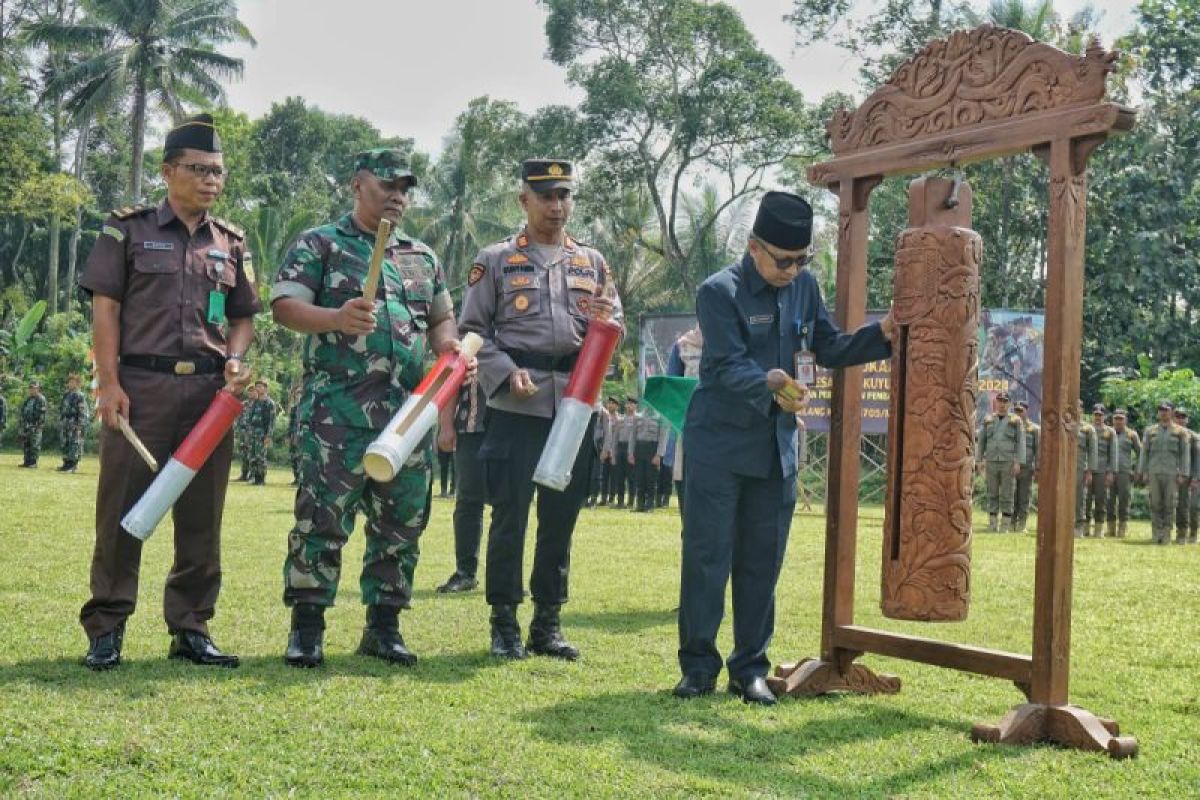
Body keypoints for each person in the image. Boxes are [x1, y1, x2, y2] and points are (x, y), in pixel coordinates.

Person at [675, 191, 894, 705]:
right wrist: (770, 380)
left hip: (776, 451)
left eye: (802, 260)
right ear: (753, 248)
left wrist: (881, 335)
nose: (793, 270)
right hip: (720, 446)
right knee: (708, 558)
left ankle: (750, 668)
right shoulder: (718, 292)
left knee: (761, 561)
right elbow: (725, 365)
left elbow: (830, 346)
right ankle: (698, 667)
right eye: (783, 260)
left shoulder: (804, 289)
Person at [78, 113, 258, 670]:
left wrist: (234, 360)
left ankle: (191, 627)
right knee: (121, 511)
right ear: (167, 172)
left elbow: (243, 315)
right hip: (142, 389)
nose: (210, 180)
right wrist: (109, 384)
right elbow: (105, 308)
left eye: (218, 172)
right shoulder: (127, 230)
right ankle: (106, 627)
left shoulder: (230, 241)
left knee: (203, 515)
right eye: (198, 170)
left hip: (208, 396)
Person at [271, 148, 462, 668]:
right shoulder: (322, 244)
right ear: (357, 186)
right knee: (321, 518)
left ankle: (384, 626)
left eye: (403, 189)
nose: (397, 197)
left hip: (406, 414)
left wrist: (447, 345)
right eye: (386, 187)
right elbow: (285, 307)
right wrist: (335, 317)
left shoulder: (422, 257)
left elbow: (442, 320)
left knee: (401, 522)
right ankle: (307, 629)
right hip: (337, 411)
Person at [459, 158, 623, 661]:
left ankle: (547, 623)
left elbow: (616, 325)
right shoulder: (496, 259)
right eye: (546, 196)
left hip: (573, 406)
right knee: (510, 515)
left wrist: (607, 323)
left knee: (560, 518)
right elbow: (472, 333)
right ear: (523, 201)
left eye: (564, 196)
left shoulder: (591, 262)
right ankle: (503, 621)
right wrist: (504, 371)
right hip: (517, 404)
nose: (557, 206)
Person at [437, 375, 489, 593]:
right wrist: (446, 425)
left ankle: (508, 575)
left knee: (513, 503)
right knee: (468, 500)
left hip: (512, 427)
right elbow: (452, 380)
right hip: (470, 426)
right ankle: (465, 572)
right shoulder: (464, 341)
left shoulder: (524, 339)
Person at [1137, 401, 1191, 545]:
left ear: (1172, 412)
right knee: (1155, 503)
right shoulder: (1150, 431)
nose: (1163, 412)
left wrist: (1183, 473)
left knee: (1169, 504)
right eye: (1161, 410)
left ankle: (1166, 533)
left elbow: (1185, 454)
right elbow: (1144, 452)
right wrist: (1143, 471)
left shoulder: (1181, 432)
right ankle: (1156, 533)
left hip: (1172, 473)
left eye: (1166, 410)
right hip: (1154, 471)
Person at [975, 392, 1025, 532]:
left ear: (1009, 403)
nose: (1002, 404)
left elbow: (1020, 442)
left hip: (1008, 461)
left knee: (1007, 493)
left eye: (1005, 401)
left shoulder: (1015, 420)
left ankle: (1005, 525)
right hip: (991, 460)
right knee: (992, 492)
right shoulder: (988, 419)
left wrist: (1018, 461)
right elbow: (982, 441)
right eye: (1000, 401)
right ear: (995, 402)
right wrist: (979, 460)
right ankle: (992, 524)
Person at [1086, 404, 1116, 538]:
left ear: (1105, 416)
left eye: (1100, 415)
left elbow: (1113, 454)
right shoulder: (1086, 429)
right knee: (1084, 500)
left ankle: (1098, 528)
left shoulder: (1110, 432)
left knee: (1100, 499)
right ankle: (1084, 527)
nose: (1098, 417)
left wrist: (1110, 472)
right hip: (1087, 469)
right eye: (1096, 414)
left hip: (1102, 469)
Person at [1110, 408, 1141, 537]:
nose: (1118, 421)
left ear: (1126, 420)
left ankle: (1122, 527)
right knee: (1109, 500)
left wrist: (1136, 470)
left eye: (1121, 419)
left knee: (1124, 500)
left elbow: (1141, 454)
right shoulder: (1108, 433)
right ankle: (1110, 528)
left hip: (1125, 472)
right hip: (1109, 472)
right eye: (1116, 418)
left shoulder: (1132, 435)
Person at [1011, 400, 1039, 533]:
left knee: (1024, 496)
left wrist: (1038, 468)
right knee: (1011, 495)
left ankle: (1022, 523)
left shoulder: (1034, 429)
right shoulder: (1009, 426)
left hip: (1026, 468)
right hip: (1010, 466)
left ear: (1026, 411)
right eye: (1016, 410)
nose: (1018, 413)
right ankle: (1011, 523)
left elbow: (1038, 450)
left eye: (1020, 410)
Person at [1172, 408, 1198, 544]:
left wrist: (1195, 477)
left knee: (1190, 506)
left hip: (1189, 476)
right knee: (1175, 505)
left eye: (1183, 417)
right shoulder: (1170, 434)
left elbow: (1197, 459)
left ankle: (1191, 533)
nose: (1180, 419)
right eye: (1177, 417)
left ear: (1187, 420)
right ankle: (1179, 533)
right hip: (1172, 474)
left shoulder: (1193, 436)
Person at [629, 402, 660, 512]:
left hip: (652, 449)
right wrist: (630, 453)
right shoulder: (638, 416)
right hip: (639, 448)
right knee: (639, 477)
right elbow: (632, 436)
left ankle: (650, 504)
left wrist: (659, 454)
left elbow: (663, 437)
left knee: (650, 478)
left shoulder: (660, 416)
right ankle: (640, 504)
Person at [56, 374, 90, 473]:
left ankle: (72, 465)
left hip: (75, 424)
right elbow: (62, 409)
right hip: (66, 424)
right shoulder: (66, 395)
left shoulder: (79, 395)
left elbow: (82, 411)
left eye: (73, 382)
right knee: (65, 443)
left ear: (78, 383)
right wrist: (61, 421)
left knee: (74, 444)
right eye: (69, 382)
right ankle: (66, 464)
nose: (71, 384)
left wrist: (80, 425)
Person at [1074, 401, 1098, 538]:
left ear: (1082, 410)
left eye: (1078, 407)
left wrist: (1090, 471)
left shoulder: (1088, 429)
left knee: (1079, 498)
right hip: (1064, 469)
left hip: (1080, 468)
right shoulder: (1064, 425)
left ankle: (1079, 526)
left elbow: (1092, 452)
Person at [246, 379, 276, 486]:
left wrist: (269, 435)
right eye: (257, 386)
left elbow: (272, 421)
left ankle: (261, 479)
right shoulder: (255, 402)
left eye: (260, 386)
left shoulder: (269, 403)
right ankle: (255, 477)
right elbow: (250, 417)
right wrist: (248, 431)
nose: (258, 388)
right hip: (253, 432)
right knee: (252, 456)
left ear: (265, 388)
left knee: (260, 457)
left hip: (262, 433)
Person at [18, 380, 48, 468]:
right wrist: (22, 424)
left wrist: (39, 426)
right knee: (26, 444)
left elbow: (42, 414)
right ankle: (27, 461)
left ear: (38, 389)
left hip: (36, 426)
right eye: (30, 388)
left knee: (35, 444)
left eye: (34, 388)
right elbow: (23, 411)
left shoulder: (41, 399)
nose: (32, 390)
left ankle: (33, 462)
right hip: (27, 425)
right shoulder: (28, 399)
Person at [234, 383, 258, 481]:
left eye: (253, 391)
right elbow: (238, 418)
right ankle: (244, 474)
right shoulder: (244, 404)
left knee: (253, 454)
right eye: (250, 391)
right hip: (243, 432)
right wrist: (237, 430)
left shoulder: (258, 403)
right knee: (244, 453)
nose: (251, 393)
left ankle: (252, 475)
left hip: (253, 432)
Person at [285, 385, 302, 486]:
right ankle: (296, 478)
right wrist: (288, 436)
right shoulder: (294, 408)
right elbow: (291, 423)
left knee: (301, 457)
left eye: (300, 393)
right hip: (294, 435)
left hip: (302, 436)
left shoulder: (307, 406)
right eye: (297, 394)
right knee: (293, 457)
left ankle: (301, 479)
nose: (298, 396)